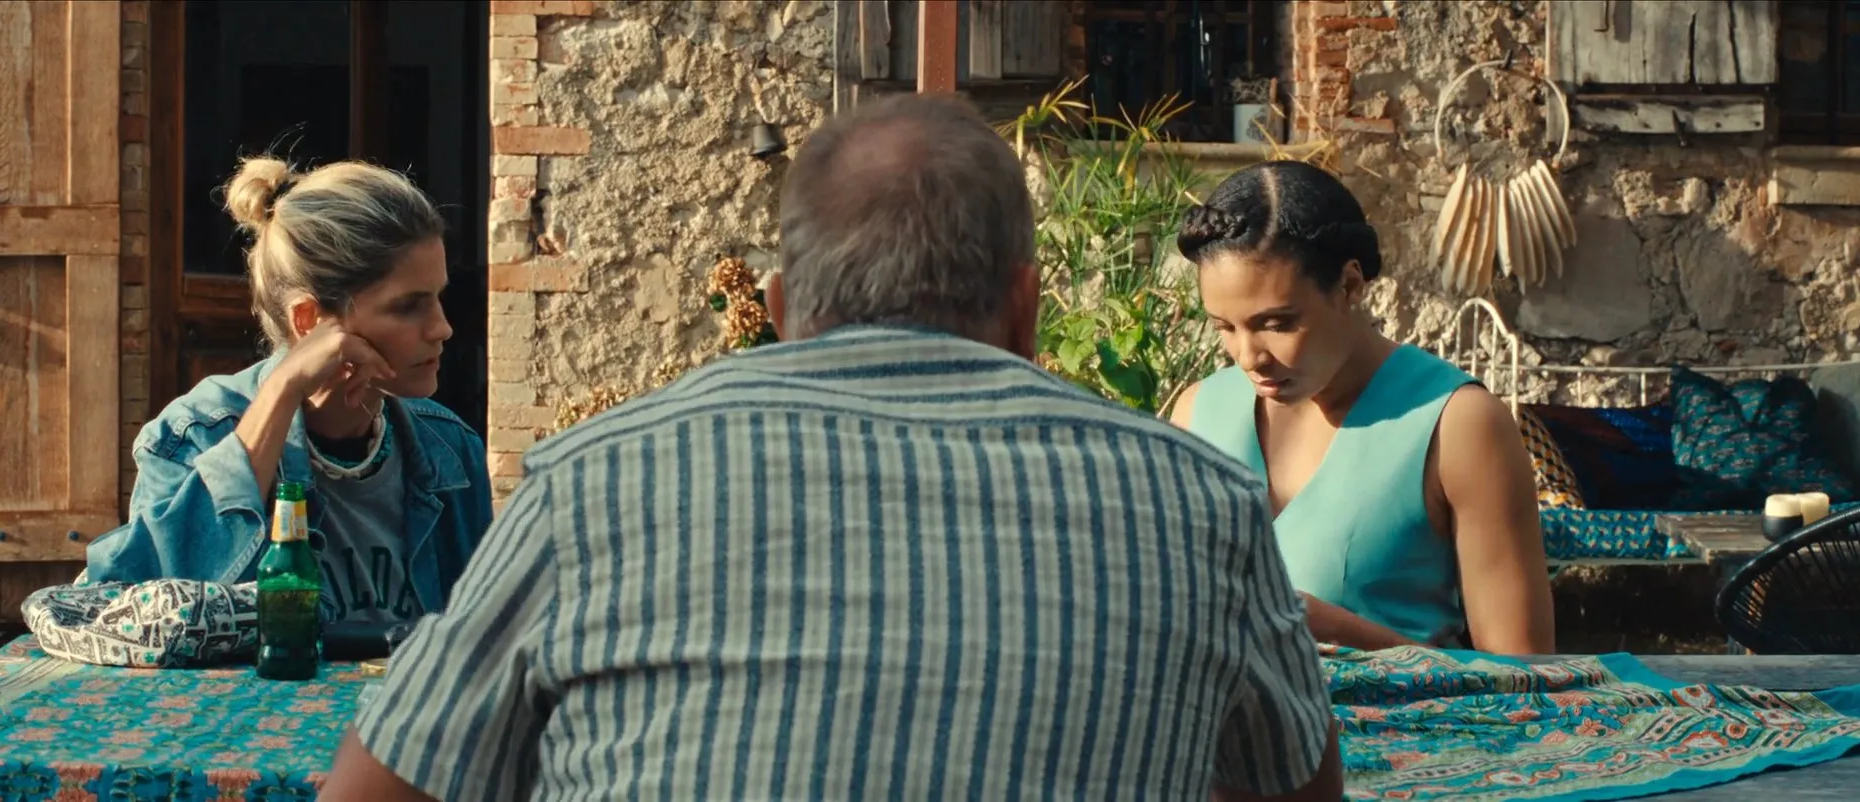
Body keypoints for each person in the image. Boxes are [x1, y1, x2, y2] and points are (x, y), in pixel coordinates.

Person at [321, 94, 1342, 802]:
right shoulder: (1197, 500)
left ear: (776, 310)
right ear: (1027, 311)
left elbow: (382, 785)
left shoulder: (597, 480)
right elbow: (1294, 785)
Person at [83, 157, 493, 626]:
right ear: (309, 320)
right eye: (407, 307)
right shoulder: (194, 436)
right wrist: (283, 389)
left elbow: (487, 634)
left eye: (439, 298)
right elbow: (137, 613)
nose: (442, 328)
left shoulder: (450, 449)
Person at [1168, 160, 1555, 655]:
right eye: (1225, 327)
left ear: (1350, 285)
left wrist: (1336, 630)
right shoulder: (1199, 413)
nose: (1249, 357)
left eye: (1277, 323)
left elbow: (1525, 673)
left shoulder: (1458, 424)